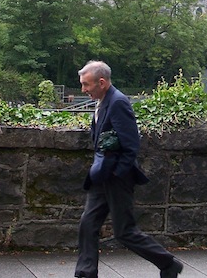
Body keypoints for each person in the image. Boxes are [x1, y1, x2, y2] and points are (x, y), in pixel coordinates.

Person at [74, 60, 183, 278]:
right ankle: (86, 273)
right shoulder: (103, 100)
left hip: (116, 178)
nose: (83, 90)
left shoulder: (118, 102)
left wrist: (116, 174)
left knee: (124, 232)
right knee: (88, 224)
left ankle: (168, 263)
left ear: (102, 82)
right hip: (101, 177)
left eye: (86, 85)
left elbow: (131, 144)